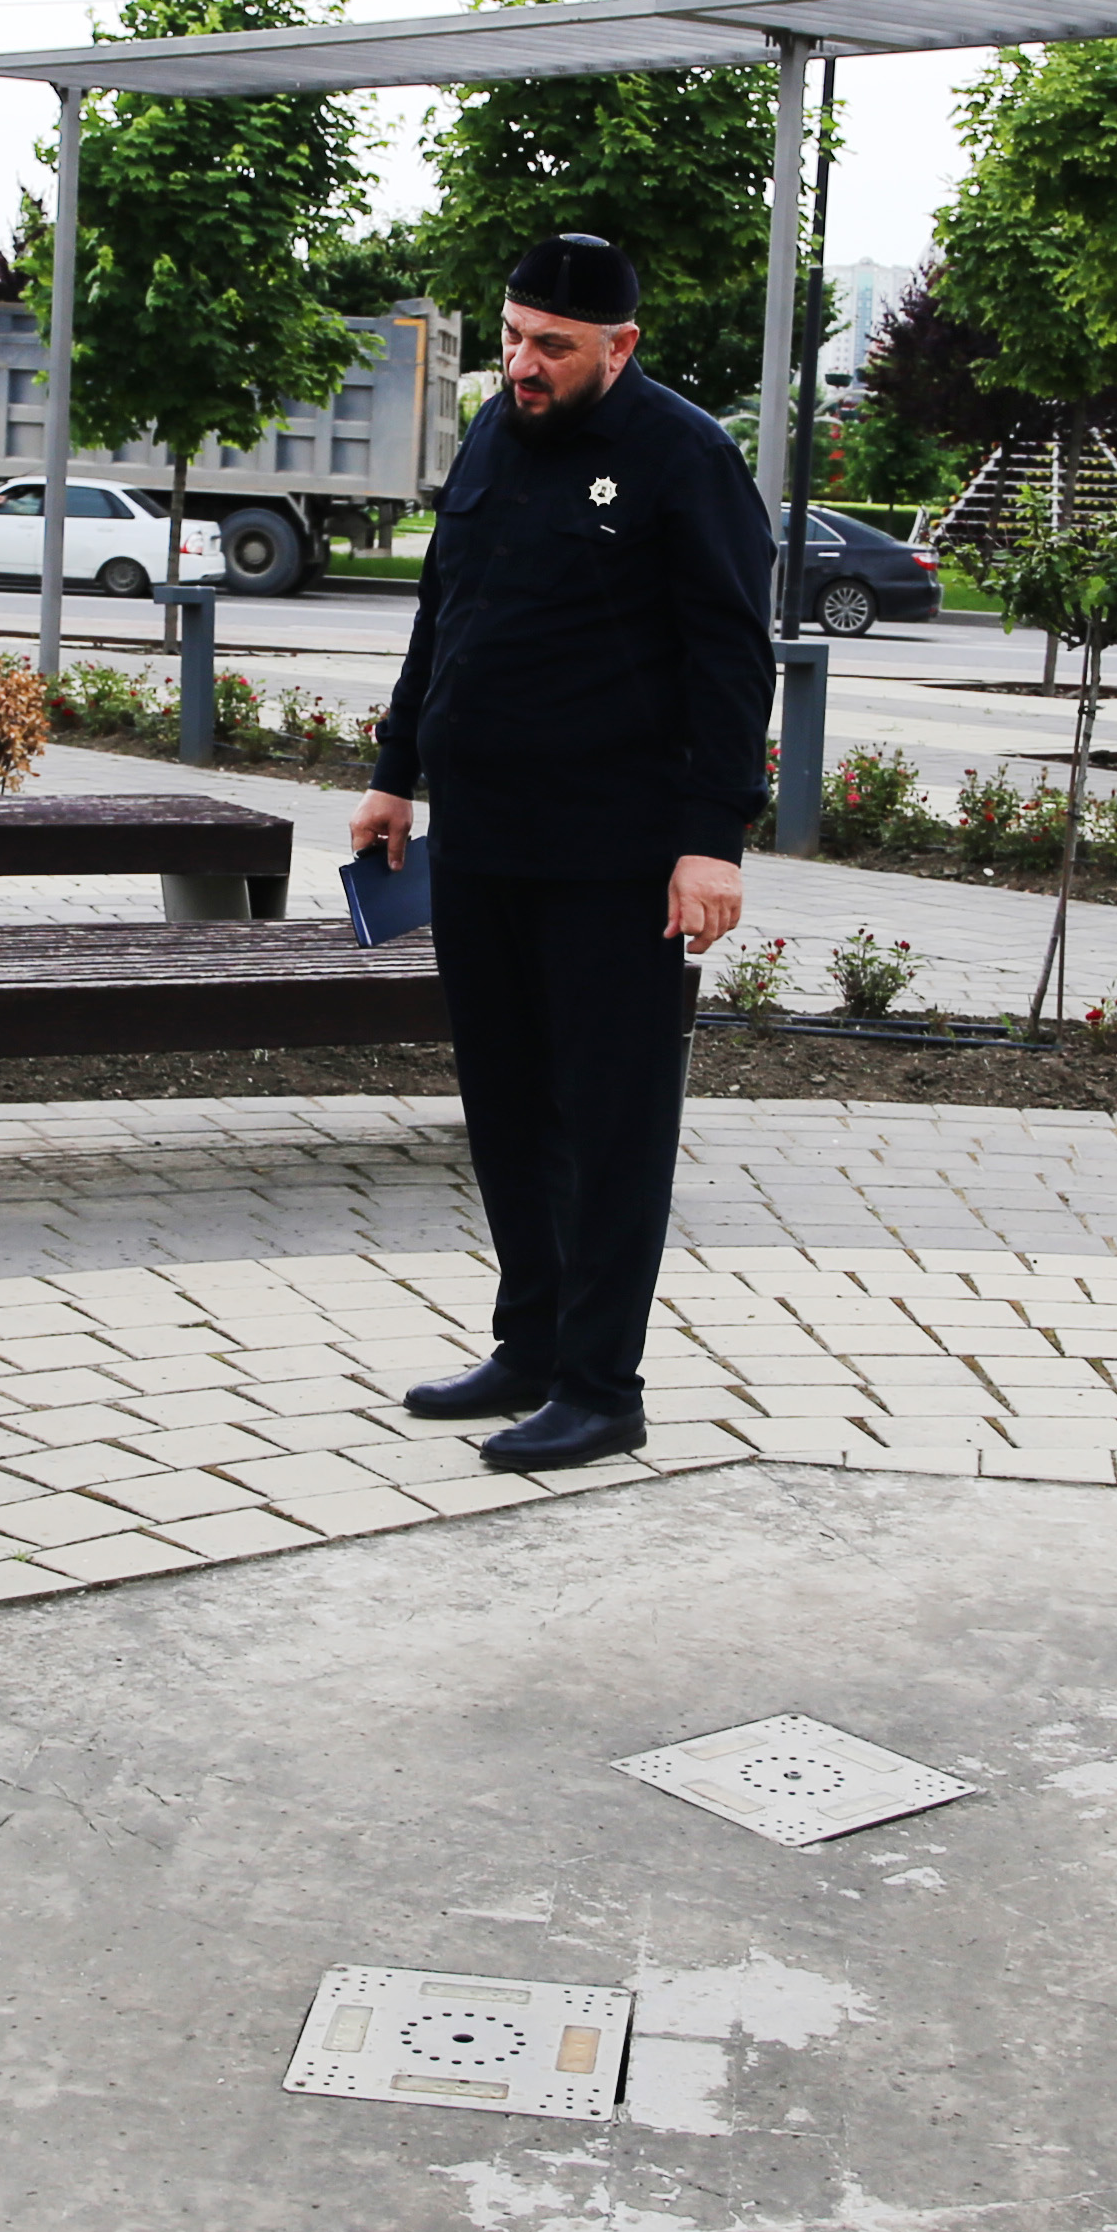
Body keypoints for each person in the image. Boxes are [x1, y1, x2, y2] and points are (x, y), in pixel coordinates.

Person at [348, 231, 777, 1473]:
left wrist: (712, 841)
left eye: (553, 346)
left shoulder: (684, 456)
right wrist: (394, 770)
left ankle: (601, 1388)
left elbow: (730, 657)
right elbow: (445, 609)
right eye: (512, 337)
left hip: (613, 855)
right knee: (508, 1109)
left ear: (621, 347)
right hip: (484, 839)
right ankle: (529, 1346)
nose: (523, 365)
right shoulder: (495, 429)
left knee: (609, 1125)